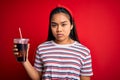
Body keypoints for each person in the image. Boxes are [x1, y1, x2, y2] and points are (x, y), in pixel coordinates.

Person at [13, 6, 93, 80]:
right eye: (54, 25)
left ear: (71, 25)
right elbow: (37, 77)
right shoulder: (42, 48)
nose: (59, 29)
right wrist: (24, 60)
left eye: (63, 24)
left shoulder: (84, 52)